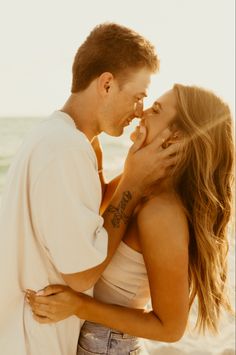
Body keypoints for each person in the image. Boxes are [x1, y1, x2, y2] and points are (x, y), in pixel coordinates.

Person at [0, 23, 179, 355]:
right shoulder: (66, 149)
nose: (139, 111)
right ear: (107, 84)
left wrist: (132, 169)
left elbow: (83, 220)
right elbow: (82, 275)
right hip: (35, 343)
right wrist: (134, 183)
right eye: (138, 97)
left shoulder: (57, 137)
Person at [27, 84, 234, 355]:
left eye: (156, 110)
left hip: (109, 346)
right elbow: (96, 210)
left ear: (176, 137)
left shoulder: (161, 212)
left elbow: (170, 328)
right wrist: (94, 146)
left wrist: (78, 306)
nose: (142, 113)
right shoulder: (142, 182)